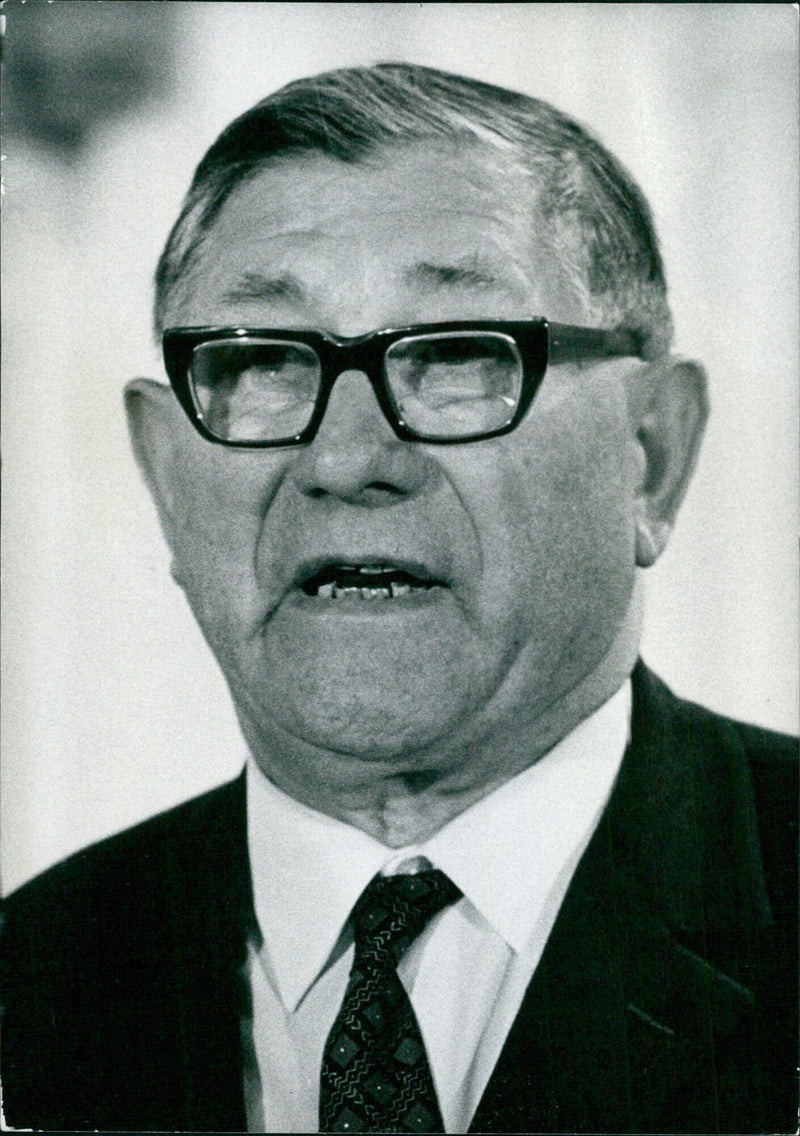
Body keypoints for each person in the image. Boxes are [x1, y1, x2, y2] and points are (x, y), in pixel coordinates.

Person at [2, 64, 796, 1134]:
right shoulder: (30, 978)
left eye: (456, 354)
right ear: (161, 476)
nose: (344, 458)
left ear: (650, 455)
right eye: (262, 362)